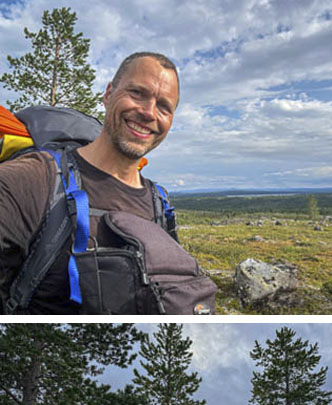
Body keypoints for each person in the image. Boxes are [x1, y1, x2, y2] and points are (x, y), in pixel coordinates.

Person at [0, 51, 204, 313]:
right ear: (108, 94)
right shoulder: (33, 179)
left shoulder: (160, 202)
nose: (149, 113)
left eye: (164, 106)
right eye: (137, 93)